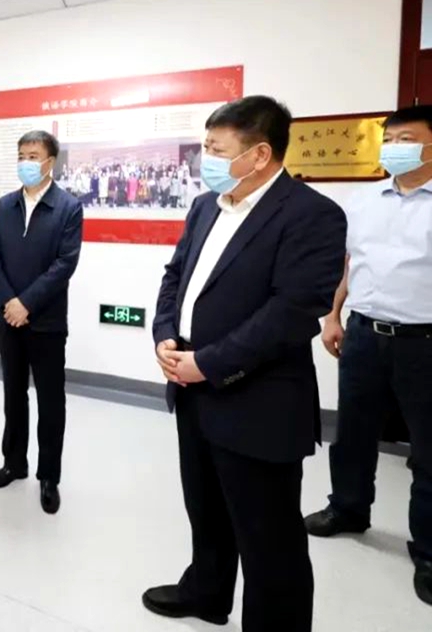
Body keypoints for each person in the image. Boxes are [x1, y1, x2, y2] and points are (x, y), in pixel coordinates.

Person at [145, 95, 346, 632]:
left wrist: (208, 364)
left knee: (269, 537)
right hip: (191, 385)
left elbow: (291, 313)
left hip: (257, 399)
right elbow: (176, 276)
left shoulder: (312, 215)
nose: (205, 158)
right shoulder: (207, 206)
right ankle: (206, 592)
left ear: (259, 154)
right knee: (205, 508)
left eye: (216, 149)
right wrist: (166, 335)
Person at [304, 106, 432, 607]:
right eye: (390, 139)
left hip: (424, 342)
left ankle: (428, 551)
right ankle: (348, 509)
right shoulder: (363, 202)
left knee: (428, 449)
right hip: (362, 333)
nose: (395, 147)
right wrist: (333, 316)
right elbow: (349, 263)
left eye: (407, 139)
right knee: (353, 433)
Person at [0, 130, 83, 514]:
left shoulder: (67, 207)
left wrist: (26, 303)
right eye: (21, 155)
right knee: (13, 394)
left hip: (46, 322)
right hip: (8, 318)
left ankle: (49, 476)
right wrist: (8, 301)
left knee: (50, 399)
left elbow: (64, 264)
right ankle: (14, 462)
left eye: (33, 156)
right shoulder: (6, 205)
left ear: (49, 162)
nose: (26, 162)